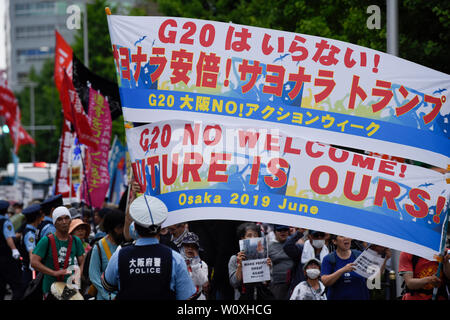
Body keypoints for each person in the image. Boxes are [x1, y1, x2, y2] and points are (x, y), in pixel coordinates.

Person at [101, 194, 197, 300]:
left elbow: (107, 285)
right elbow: (186, 295)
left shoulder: (119, 255)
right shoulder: (175, 258)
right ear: (160, 228)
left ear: (134, 228)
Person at [31, 206, 85, 300]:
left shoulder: (76, 241)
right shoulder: (46, 240)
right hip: (50, 288)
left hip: (69, 288)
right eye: (60, 219)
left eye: (66, 218)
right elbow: (34, 262)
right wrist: (53, 273)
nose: (64, 222)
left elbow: (82, 262)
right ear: (54, 223)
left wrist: (77, 274)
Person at [228, 222, 273, 300]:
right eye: (249, 235)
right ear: (242, 238)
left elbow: (270, 282)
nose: (253, 238)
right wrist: (240, 266)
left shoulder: (264, 257)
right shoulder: (235, 259)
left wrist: (268, 269)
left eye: (255, 235)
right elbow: (234, 283)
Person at [88, 209, 124, 300]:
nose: (122, 231)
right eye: (119, 227)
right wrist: (109, 296)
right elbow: (94, 275)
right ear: (111, 228)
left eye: (124, 226)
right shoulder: (99, 247)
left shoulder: (127, 244)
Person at [320, 235, 369, 300]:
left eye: (348, 235)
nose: (346, 238)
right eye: (342, 236)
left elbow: (375, 275)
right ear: (334, 241)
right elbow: (325, 281)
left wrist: (385, 259)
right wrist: (343, 270)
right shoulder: (328, 259)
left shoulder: (359, 255)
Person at [283, 229, 329, 296]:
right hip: (301, 292)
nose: (319, 238)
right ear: (309, 236)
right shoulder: (302, 250)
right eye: (316, 235)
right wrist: (300, 232)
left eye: (322, 235)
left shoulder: (327, 253)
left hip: (319, 292)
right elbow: (287, 246)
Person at [0, 200, 24, 300]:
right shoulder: (6, 221)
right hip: (6, 257)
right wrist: (14, 249)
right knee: (17, 285)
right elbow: (9, 237)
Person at [18, 204, 44, 297]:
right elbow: (31, 252)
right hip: (30, 271)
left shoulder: (27, 230)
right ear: (37, 217)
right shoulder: (30, 234)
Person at [180, 232, 209, 300]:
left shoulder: (202, 264)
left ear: (197, 248)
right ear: (183, 247)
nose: (190, 248)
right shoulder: (178, 263)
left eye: (193, 246)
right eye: (187, 245)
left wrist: (195, 264)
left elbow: (203, 283)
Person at [268, 224, 294, 299]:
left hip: (293, 281)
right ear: (274, 232)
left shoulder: (293, 243)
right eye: (279, 230)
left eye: (285, 230)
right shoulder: (269, 246)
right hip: (277, 283)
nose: (283, 232)